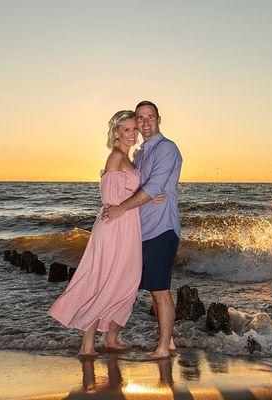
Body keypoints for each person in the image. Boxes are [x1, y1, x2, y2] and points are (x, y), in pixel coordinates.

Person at [48, 110, 164, 356]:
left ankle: (111, 339)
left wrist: (149, 198)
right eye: (126, 130)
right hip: (114, 228)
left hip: (126, 226)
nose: (133, 134)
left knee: (126, 282)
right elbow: (111, 199)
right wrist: (140, 197)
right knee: (102, 282)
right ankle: (87, 345)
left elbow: (126, 195)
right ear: (116, 134)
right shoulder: (115, 158)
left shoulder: (127, 158)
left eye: (134, 129)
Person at [102, 101, 182, 359]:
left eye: (150, 117)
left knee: (160, 290)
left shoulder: (166, 148)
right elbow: (137, 186)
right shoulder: (141, 153)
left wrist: (122, 207)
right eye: (141, 118)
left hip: (161, 228)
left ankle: (163, 348)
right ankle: (166, 343)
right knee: (140, 288)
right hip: (140, 230)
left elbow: (155, 186)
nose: (145, 123)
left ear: (159, 119)